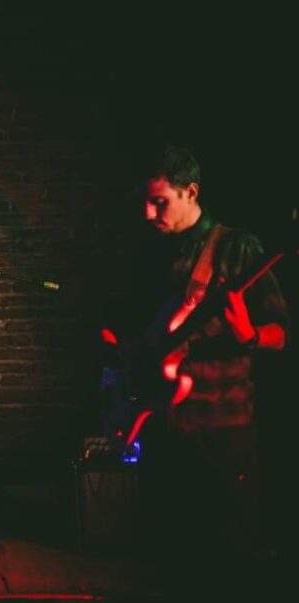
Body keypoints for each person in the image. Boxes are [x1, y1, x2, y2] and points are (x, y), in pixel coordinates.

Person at [121, 144, 289, 593]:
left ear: (191, 192)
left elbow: (283, 332)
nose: (148, 213)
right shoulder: (152, 251)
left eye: (160, 201)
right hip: (167, 426)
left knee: (232, 560)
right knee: (173, 560)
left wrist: (248, 333)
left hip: (223, 428)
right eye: (145, 201)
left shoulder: (236, 248)